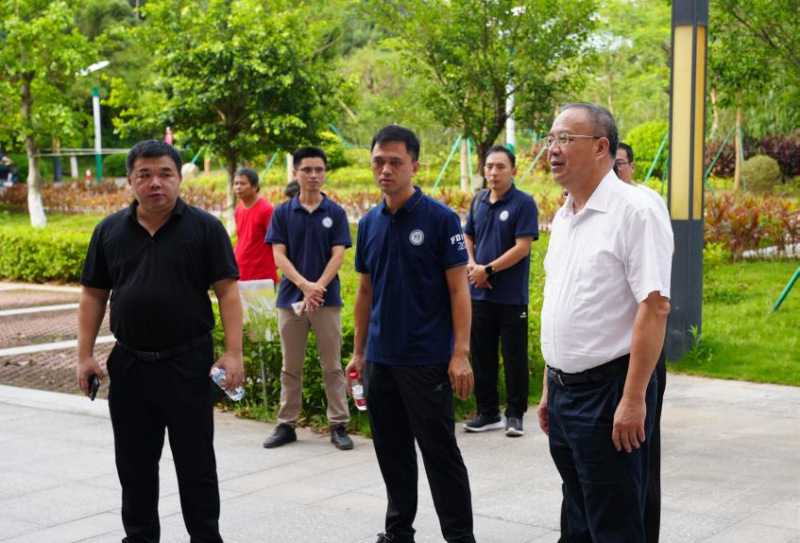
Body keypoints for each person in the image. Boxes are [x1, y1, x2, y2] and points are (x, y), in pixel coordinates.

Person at [76, 139, 243, 542]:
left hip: (188, 363)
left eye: (165, 173)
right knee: (134, 466)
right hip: (130, 364)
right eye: (145, 174)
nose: (155, 183)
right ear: (130, 180)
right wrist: (84, 355)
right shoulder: (109, 231)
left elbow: (228, 292)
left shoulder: (205, 227)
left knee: (196, 465)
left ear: (179, 178)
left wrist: (233, 352)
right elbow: (93, 294)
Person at [537, 103, 673, 542]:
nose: (552, 149)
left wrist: (633, 399)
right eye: (551, 139)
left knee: (614, 523)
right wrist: (549, 385)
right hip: (564, 392)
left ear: (600, 148)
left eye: (565, 139)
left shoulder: (635, 211)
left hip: (609, 392)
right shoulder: (565, 216)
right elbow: (562, 302)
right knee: (577, 519)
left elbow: (655, 307)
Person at [347, 125, 476, 543]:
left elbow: (459, 290)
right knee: (392, 453)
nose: (385, 170)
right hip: (380, 359)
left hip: (426, 360)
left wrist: (460, 353)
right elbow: (364, 292)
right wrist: (359, 352)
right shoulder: (369, 223)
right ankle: (398, 531)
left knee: (440, 455)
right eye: (378, 161)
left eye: (395, 162)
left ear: (414, 166)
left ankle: (460, 537)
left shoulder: (440, 219)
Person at [263, 146, 353, 451]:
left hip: (327, 300)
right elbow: (278, 255)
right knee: (290, 366)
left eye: (319, 170)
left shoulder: (335, 212)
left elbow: (338, 255)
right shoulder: (282, 212)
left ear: (324, 173)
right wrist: (304, 285)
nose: (313, 175)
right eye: (307, 170)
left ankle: (338, 424)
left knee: (332, 366)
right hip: (291, 300)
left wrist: (317, 288)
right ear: (296, 173)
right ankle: (286, 424)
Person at [614, 141, 672, 542]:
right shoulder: (581, 206)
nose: (613, 172)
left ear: (631, 167)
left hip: (641, 347)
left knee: (642, 453)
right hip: (599, 359)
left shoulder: (644, 206)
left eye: (618, 164)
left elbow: (654, 299)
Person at [462, 145, 538, 437]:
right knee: (482, 356)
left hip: (510, 297)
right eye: (489, 166)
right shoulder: (478, 201)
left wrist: (488, 270)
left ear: (513, 171)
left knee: (514, 357)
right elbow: (468, 236)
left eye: (500, 167)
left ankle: (515, 415)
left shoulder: (523, 203)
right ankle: (488, 413)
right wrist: (472, 265)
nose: (493, 172)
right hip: (479, 294)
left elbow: (522, 247)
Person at [233, 167, 279, 282]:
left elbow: (277, 242)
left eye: (243, 183)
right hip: (241, 270)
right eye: (236, 183)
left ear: (254, 187)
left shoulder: (266, 210)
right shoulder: (238, 209)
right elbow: (241, 239)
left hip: (261, 273)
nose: (238, 187)